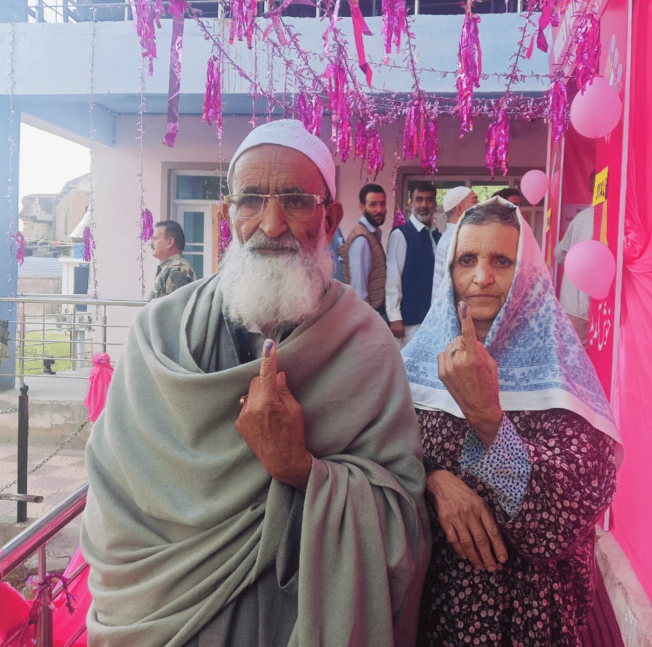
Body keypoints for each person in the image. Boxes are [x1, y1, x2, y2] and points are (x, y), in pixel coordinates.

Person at [81, 119, 430, 647]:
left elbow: (400, 516)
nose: (270, 224)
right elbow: (114, 492)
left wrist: (300, 469)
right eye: (250, 201)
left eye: (294, 200)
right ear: (229, 215)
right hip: (157, 616)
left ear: (329, 216)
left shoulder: (366, 344)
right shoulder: (161, 334)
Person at [401, 197, 621, 646]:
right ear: (449, 273)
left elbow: (557, 525)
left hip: (527, 620)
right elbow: (379, 457)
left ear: (528, 274)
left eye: (501, 261)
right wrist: (432, 480)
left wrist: (486, 417)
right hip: (433, 612)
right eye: (467, 260)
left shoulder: (561, 374)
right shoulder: (418, 366)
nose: (481, 278)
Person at [386, 182, 441, 346]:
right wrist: (394, 317)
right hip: (408, 322)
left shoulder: (435, 236)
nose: (424, 205)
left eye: (429, 200)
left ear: (435, 205)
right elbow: (393, 278)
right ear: (411, 204)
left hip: (430, 320)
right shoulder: (401, 235)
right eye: (419, 200)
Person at [341, 183, 387, 317]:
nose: (379, 209)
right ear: (362, 207)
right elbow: (359, 292)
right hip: (370, 315)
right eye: (373, 205)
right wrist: (367, 324)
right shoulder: (362, 240)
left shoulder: (372, 233)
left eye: (382, 204)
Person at [555, 205, 595, 348]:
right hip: (591, 308)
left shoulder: (582, 217)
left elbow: (559, 254)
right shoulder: (615, 217)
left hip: (573, 304)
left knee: (574, 358)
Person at [432, 185, 477, 301]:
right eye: (474, 201)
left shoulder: (451, 237)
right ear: (460, 209)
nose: (479, 204)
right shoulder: (456, 240)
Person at [148, 220, 197, 301]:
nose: (151, 243)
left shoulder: (177, 270)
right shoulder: (168, 268)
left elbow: (174, 310)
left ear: (170, 242)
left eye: (155, 239)